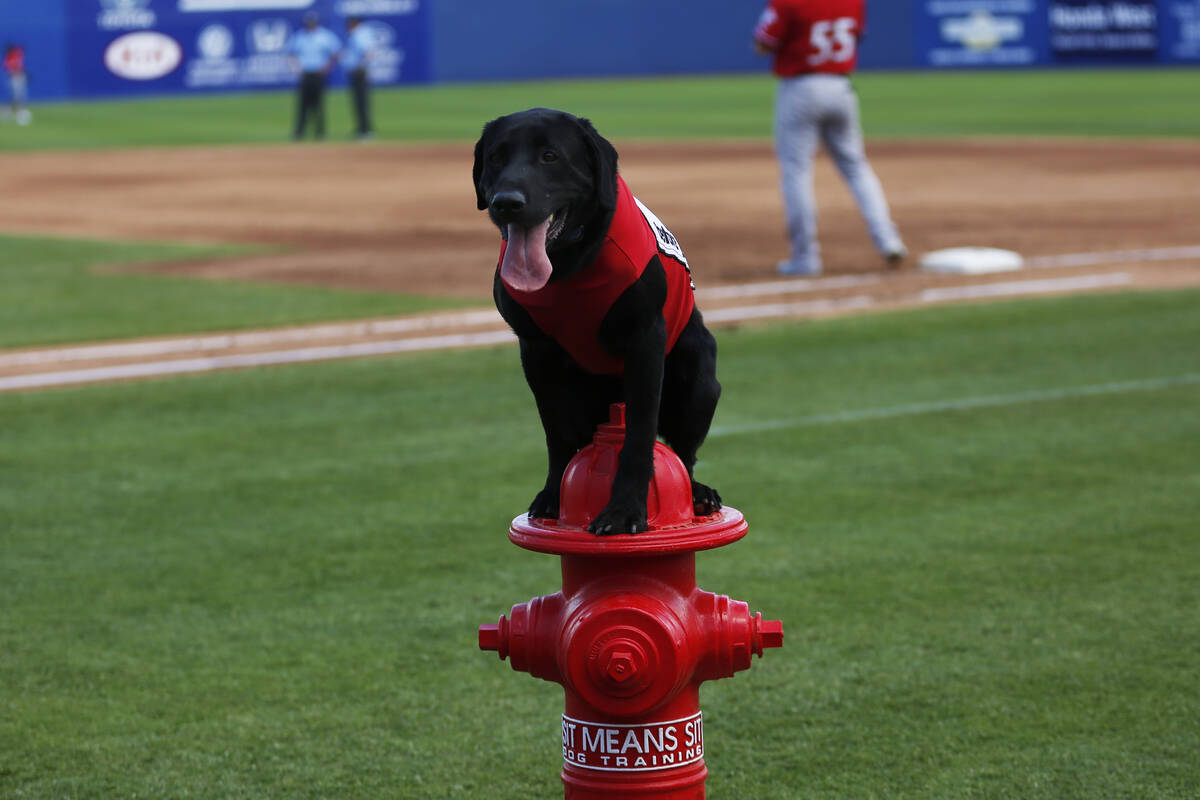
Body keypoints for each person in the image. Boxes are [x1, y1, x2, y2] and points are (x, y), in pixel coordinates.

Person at [753, 0, 905, 276]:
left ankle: (805, 258)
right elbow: (856, 35)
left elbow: (763, 43)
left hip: (800, 88)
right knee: (856, 167)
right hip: (840, 87)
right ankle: (888, 241)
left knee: (796, 173)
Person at [285, 12, 341, 140]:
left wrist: (328, 67)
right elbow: (290, 54)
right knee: (302, 105)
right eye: (308, 23)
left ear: (316, 22)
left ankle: (320, 132)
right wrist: (296, 68)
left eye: (312, 23)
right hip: (305, 74)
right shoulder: (300, 36)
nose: (310, 25)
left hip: (318, 74)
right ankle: (299, 132)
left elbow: (336, 53)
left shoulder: (325, 36)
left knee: (319, 104)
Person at [341, 16, 374, 139]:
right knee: (359, 102)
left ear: (354, 23)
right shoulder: (361, 33)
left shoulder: (359, 34)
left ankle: (365, 130)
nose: (347, 27)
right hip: (357, 71)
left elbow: (368, 52)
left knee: (361, 102)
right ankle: (362, 128)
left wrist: (362, 66)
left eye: (349, 24)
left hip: (359, 72)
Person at [3, 42, 30, 126]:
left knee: (19, 96)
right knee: (17, 96)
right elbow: (12, 70)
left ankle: (14, 111)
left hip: (20, 77)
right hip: (14, 78)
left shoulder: (15, 54)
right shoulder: (8, 59)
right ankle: (14, 112)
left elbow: (22, 49)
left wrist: (24, 74)